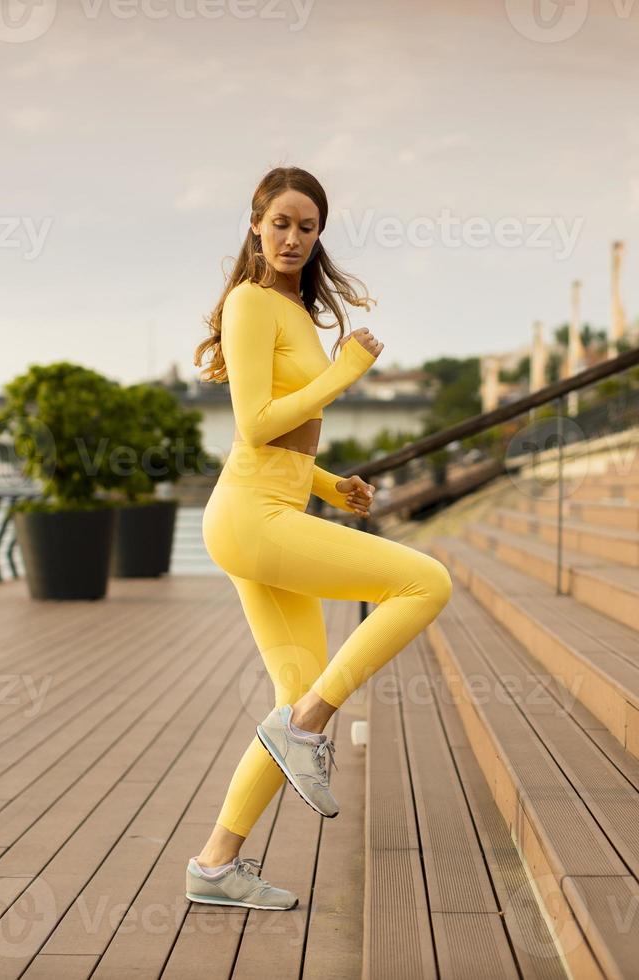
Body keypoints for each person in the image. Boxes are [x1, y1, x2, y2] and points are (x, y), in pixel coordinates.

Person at [185, 166, 452, 910]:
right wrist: (343, 375)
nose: (293, 237)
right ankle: (311, 725)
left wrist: (331, 485)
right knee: (426, 582)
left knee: (290, 696)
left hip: (269, 508)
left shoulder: (294, 311)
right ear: (255, 225)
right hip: (248, 517)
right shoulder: (250, 303)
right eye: (281, 223)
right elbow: (255, 425)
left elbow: (286, 447)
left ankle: (215, 864)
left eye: (307, 226)